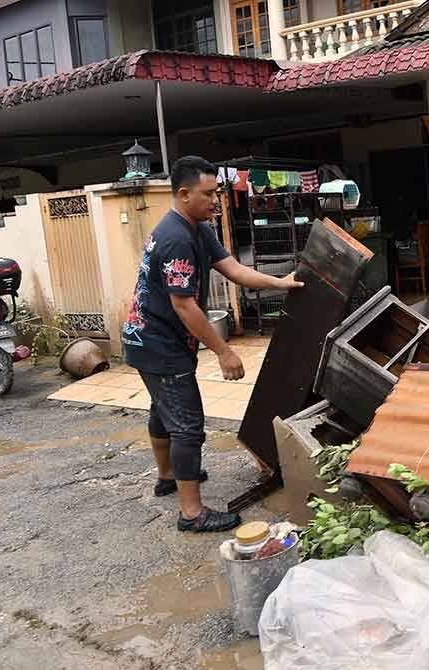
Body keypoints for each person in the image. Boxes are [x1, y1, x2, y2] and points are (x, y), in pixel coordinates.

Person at [122, 155, 303, 533]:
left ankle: (168, 475)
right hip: (157, 343)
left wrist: (279, 283)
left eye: (217, 192)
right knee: (187, 426)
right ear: (184, 194)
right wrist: (224, 351)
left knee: (163, 409)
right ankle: (191, 513)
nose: (216, 200)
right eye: (208, 194)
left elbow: (233, 268)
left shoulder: (197, 226)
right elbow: (183, 305)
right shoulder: (175, 238)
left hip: (148, 339)